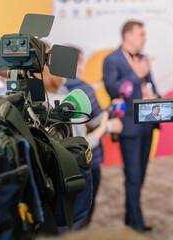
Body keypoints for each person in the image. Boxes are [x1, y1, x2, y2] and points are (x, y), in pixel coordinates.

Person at [103, 20, 159, 232]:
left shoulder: (142, 59)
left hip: (147, 123)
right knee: (133, 175)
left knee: (141, 173)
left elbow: (151, 86)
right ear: (128, 36)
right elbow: (114, 89)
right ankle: (136, 222)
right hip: (128, 125)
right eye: (141, 34)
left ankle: (130, 214)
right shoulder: (112, 59)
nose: (144, 39)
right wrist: (135, 74)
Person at [61, 47, 123, 227]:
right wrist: (108, 123)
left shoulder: (67, 89)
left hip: (62, 162)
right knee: (84, 208)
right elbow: (93, 122)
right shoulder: (82, 89)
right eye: (79, 61)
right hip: (86, 157)